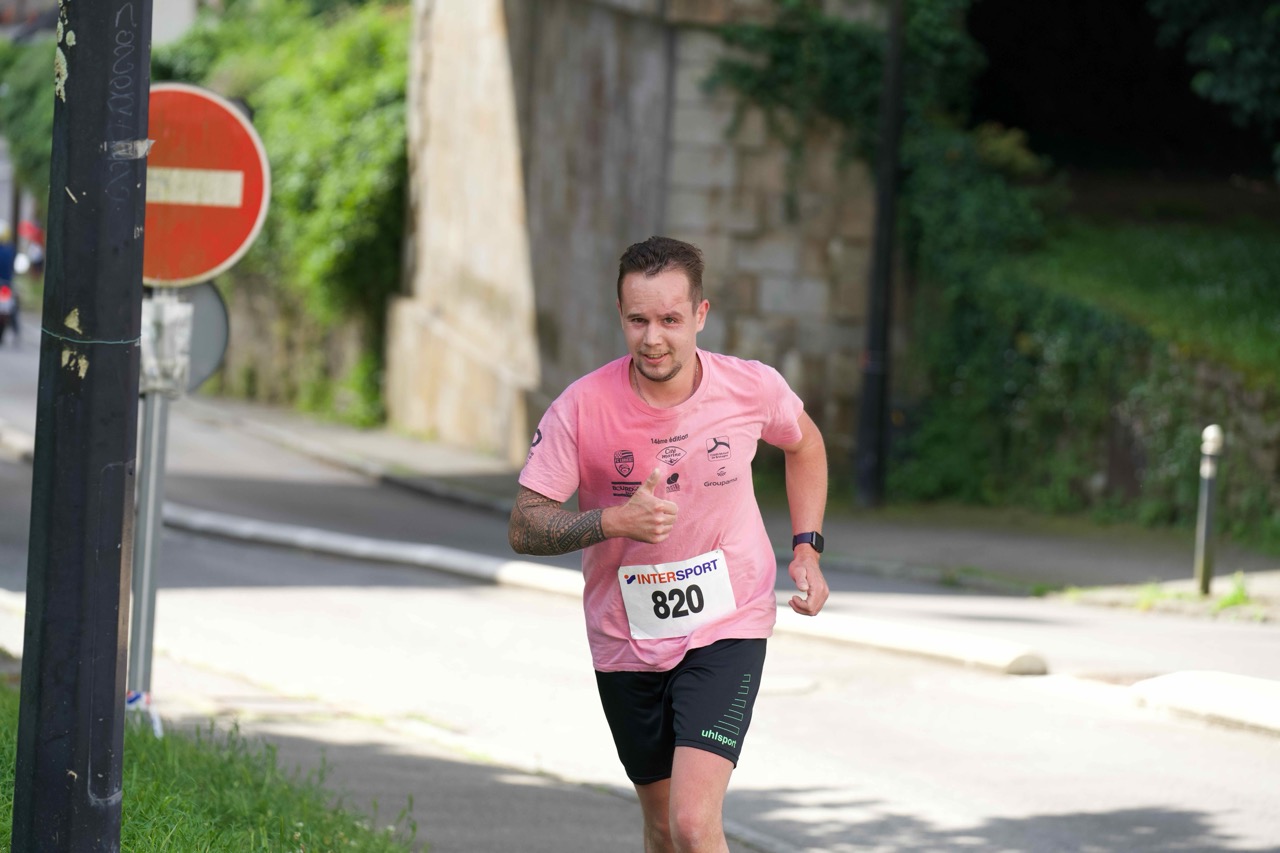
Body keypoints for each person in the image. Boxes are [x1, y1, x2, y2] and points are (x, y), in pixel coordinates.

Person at [509, 235, 829, 852]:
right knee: (661, 826)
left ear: (700, 315)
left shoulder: (750, 388)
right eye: (638, 320)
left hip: (728, 624)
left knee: (692, 821)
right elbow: (524, 524)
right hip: (625, 637)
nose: (653, 339)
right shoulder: (582, 407)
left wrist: (806, 547)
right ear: (620, 315)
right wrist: (612, 522)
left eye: (670, 320)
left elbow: (805, 444)